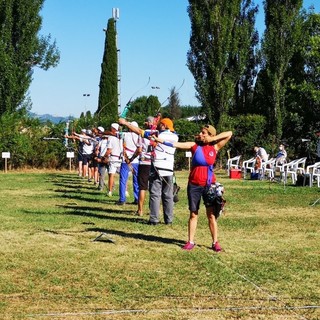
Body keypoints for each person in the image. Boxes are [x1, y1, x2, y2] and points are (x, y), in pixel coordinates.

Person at [155, 124, 232, 251]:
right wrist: (159, 140)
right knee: (193, 213)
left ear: (210, 135)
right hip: (194, 185)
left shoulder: (215, 147)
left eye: (203, 133)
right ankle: (190, 241)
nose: (200, 134)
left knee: (211, 215)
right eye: (200, 132)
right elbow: (176, 144)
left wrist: (213, 139)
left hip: (209, 185)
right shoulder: (194, 145)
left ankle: (215, 242)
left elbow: (229, 133)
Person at [119, 117, 178, 225]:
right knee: (168, 195)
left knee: (155, 194)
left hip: (157, 168)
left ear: (163, 126)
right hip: (169, 169)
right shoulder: (175, 136)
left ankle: (154, 219)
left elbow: (139, 131)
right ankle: (168, 220)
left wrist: (125, 123)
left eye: (160, 124)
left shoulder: (157, 135)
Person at [116, 121, 140, 205]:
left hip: (126, 160)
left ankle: (122, 199)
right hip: (136, 160)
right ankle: (137, 199)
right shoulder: (139, 136)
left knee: (123, 180)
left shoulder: (125, 134)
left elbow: (118, 134)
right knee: (136, 180)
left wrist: (120, 125)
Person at [104, 123, 123, 197]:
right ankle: (125, 191)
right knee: (123, 176)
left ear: (113, 129)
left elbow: (109, 150)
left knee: (111, 175)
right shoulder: (121, 136)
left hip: (113, 158)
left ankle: (110, 191)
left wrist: (104, 156)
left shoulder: (111, 138)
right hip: (121, 158)